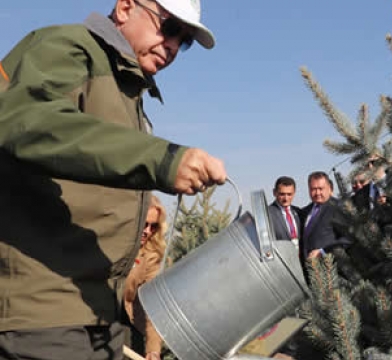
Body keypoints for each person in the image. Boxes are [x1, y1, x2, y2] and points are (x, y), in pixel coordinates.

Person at [0, 0, 227, 358]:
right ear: (124, 7)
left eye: (183, 41)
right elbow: (27, 121)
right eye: (169, 28)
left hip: (98, 315)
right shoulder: (67, 48)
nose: (172, 46)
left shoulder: (128, 88)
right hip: (46, 314)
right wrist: (163, 160)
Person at [123, 196, 167, 360]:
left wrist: (153, 349)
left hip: (126, 319)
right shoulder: (111, 245)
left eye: (153, 226)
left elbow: (153, 303)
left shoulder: (150, 257)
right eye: (144, 223)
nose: (147, 231)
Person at [300, 172, 351, 262]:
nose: (317, 193)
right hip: (309, 268)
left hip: (330, 268)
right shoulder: (305, 211)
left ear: (329, 188)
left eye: (320, 188)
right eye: (313, 189)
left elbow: (347, 238)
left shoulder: (338, 207)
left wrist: (323, 252)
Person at [268, 176, 302, 249]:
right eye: (282, 194)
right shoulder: (268, 214)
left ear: (294, 193)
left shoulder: (298, 212)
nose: (286, 198)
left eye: (289, 194)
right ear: (274, 192)